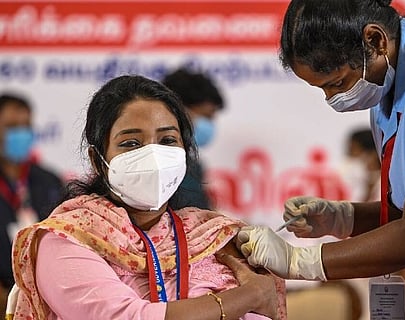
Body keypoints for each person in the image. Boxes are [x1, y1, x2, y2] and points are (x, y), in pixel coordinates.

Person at [235, 1, 405, 319]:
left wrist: (300, 261)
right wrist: (342, 219)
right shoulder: (389, 85)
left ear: (376, 40)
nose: (332, 99)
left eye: (337, 83)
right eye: (322, 89)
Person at [9, 75, 285, 320]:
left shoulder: (210, 237)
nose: (153, 156)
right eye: (131, 143)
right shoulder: (66, 239)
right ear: (98, 159)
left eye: (167, 141)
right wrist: (247, 297)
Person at [0, 93, 65, 318]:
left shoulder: (50, 181)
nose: (20, 134)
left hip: (46, 296)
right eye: (11, 127)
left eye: (26, 126)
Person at [162, 67, 224, 210]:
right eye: (205, 117)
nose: (209, 125)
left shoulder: (193, 165)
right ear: (179, 110)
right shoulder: (161, 164)